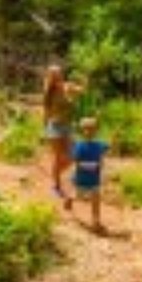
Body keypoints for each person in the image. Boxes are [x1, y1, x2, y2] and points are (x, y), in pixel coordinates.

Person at [41, 64, 84, 205]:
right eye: (53, 74)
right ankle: (56, 184)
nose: (57, 76)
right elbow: (46, 112)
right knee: (57, 157)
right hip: (54, 127)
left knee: (73, 155)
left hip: (68, 126)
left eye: (58, 73)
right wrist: (44, 130)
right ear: (50, 76)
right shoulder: (48, 91)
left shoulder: (68, 87)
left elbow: (83, 90)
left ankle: (56, 174)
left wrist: (84, 78)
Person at [70, 116, 110, 233]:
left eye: (92, 129)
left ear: (96, 131)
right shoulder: (79, 145)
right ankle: (69, 200)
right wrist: (89, 165)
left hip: (94, 179)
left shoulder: (99, 144)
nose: (89, 132)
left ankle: (95, 220)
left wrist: (112, 144)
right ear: (82, 131)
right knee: (79, 196)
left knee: (96, 199)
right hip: (81, 177)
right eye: (86, 129)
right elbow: (75, 160)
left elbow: (107, 147)